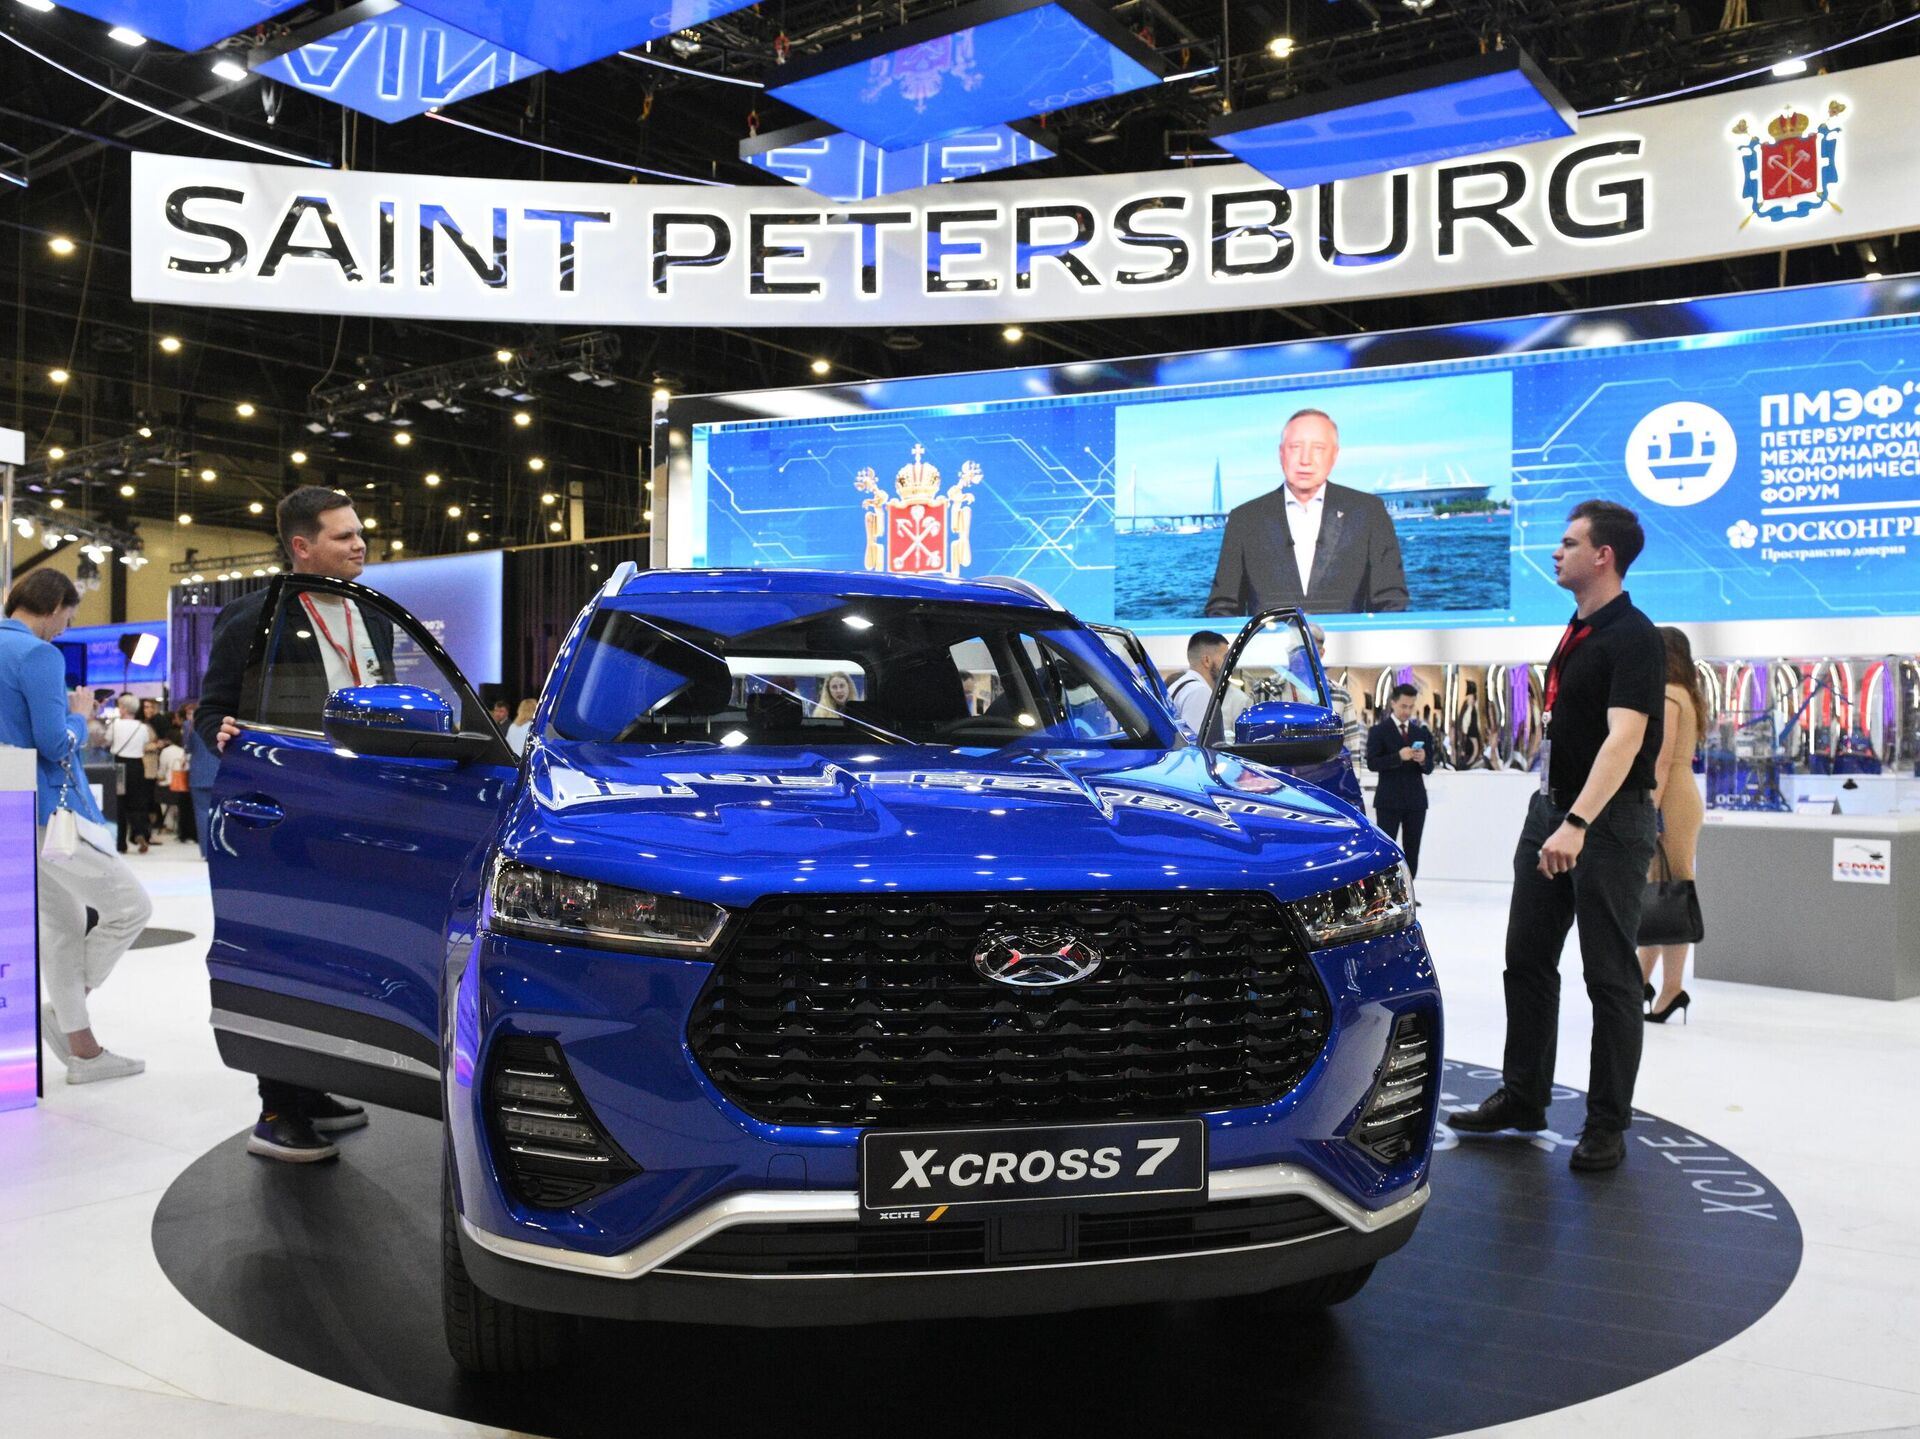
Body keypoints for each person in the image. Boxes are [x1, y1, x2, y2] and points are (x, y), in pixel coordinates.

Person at [1449, 500, 1664, 1173]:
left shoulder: (1634, 636)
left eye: (1569, 543)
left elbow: (1625, 740)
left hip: (1606, 822)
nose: (1556, 552)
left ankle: (1606, 1123)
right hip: (1551, 811)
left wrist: (1577, 821)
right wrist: (1556, 814)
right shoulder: (1579, 629)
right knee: (1527, 959)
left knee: (1610, 977)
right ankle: (1523, 1097)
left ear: (1603, 555)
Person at [196, 486, 391, 1162]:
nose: (360, 543)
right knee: (286, 950)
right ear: (302, 545)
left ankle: (314, 1086)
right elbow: (213, 708)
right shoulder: (254, 616)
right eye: (344, 535)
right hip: (284, 808)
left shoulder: (373, 614)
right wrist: (222, 733)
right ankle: (277, 1106)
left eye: (360, 531)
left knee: (344, 950)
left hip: (361, 808)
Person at [1, 570, 151, 1083]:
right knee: (131, 907)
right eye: (68, 614)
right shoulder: (38, 655)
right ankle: (67, 1016)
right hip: (51, 813)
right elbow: (54, 743)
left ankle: (82, 1050)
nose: (66, 627)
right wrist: (79, 717)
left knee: (62, 925)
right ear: (53, 605)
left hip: (10, 812)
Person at [1205, 408, 1409, 617]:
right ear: (1281, 453)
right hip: (1267, 639)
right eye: (1295, 447)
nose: (1305, 460)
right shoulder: (1244, 519)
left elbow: (1391, 602)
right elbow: (1222, 608)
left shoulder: (1368, 512)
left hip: (1346, 639)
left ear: (1334, 455)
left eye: (1318, 448)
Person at [1640, 626, 1708, 1025]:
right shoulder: (1687, 694)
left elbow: (1661, 761)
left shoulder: (1667, 695)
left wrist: (1649, 811)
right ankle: (1642, 981)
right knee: (1663, 890)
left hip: (1670, 799)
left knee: (1671, 892)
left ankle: (1670, 989)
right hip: (1683, 795)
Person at [1368, 682, 1436, 878]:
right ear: (1393, 704)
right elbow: (1372, 763)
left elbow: (1429, 768)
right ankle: (1386, 890)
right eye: (1403, 706)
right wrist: (1398, 757)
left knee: (1413, 850)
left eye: (1411, 707)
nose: (1407, 711)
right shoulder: (1378, 731)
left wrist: (1423, 760)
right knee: (1386, 850)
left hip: (1416, 801)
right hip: (1388, 801)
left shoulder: (1420, 733)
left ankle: (1410, 888)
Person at [104, 693, 154, 854]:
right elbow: (145, 742)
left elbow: (107, 740)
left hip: (119, 764)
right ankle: (140, 832)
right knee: (137, 802)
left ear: (124, 708)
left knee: (119, 803)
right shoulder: (142, 727)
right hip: (137, 765)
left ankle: (120, 843)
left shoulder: (115, 725)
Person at [1166, 631, 1231, 744]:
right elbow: (1196, 746)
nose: (1228, 665)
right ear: (1207, 661)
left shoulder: (1180, 686)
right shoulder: (1199, 692)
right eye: (1225, 658)